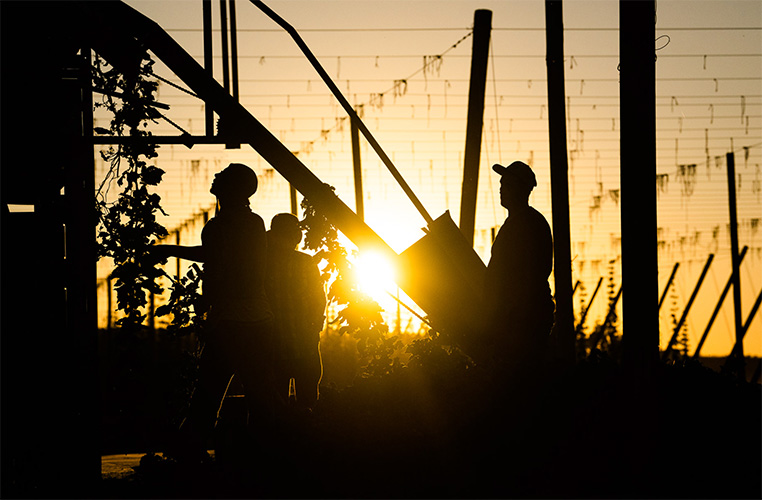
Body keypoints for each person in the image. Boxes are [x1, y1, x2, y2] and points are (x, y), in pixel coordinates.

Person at [150, 163, 276, 462]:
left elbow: (215, 258)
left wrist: (169, 251)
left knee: (208, 392)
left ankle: (190, 450)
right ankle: (263, 451)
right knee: (258, 392)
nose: (216, 176)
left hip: (233, 321)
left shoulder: (222, 225)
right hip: (254, 320)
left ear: (231, 186)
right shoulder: (251, 222)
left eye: (223, 175)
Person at [482, 161, 555, 382]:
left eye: (507, 184)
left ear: (521, 188)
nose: (501, 188)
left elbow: (523, 276)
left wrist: (505, 314)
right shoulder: (520, 222)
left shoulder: (526, 224)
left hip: (521, 322)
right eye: (501, 183)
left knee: (519, 381)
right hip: (518, 319)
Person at [265, 213, 326, 410]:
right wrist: (315, 326)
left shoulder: (263, 263)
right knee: (307, 400)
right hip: (302, 341)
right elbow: (319, 298)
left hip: (275, 343)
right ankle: (305, 433)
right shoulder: (305, 262)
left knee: (275, 403)